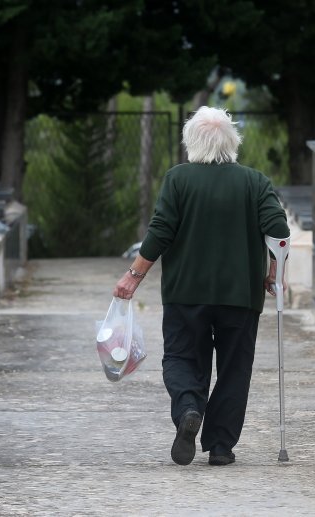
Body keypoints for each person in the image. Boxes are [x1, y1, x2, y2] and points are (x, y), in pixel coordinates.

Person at [113, 106, 290, 466]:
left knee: (181, 358)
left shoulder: (178, 179)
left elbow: (161, 230)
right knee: (234, 369)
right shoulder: (255, 181)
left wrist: (133, 276)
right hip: (240, 296)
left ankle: (189, 408)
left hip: (185, 292)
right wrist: (275, 271)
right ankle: (221, 447)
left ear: (191, 142)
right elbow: (280, 231)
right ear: (232, 142)